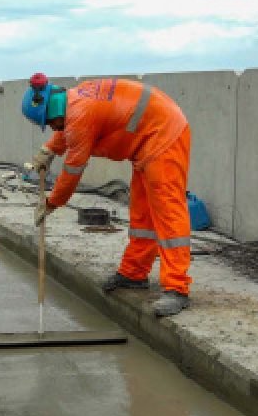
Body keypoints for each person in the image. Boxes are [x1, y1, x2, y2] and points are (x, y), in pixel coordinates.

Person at [21, 72, 193, 317]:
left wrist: (51, 203)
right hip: (148, 139)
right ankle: (133, 273)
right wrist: (47, 151)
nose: (52, 128)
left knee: (168, 210)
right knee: (143, 215)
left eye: (50, 123)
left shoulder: (79, 116)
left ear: (53, 112)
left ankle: (177, 288)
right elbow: (68, 128)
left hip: (164, 135)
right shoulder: (75, 101)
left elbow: (72, 172)